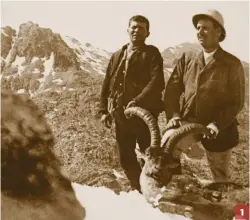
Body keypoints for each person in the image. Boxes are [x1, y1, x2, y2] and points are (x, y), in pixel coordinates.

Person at [163, 9, 245, 184]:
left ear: (219, 32)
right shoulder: (187, 57)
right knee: (168, 153)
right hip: (188, 123)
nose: (200, 32)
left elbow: (236, 102)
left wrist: (216, 124)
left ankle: (230, 210)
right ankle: (173, 196)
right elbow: (171, 91)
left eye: (205, 28)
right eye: (198, 28)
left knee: (220, 178)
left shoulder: (232, 64)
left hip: (219, 129)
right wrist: (174, 116)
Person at [99, 15, 165, 191]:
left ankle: (154, 190)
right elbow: (107, 82)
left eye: (141, 28)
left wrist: (137, 101)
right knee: (125, 157)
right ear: (127, 30)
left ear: (147, 33)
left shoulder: (152, 53)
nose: (136, 31)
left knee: (149, 155)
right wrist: (103, 110)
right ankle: (139, 189)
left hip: (144, 115)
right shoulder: (117, 55)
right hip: (121, 115)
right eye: (134, 27)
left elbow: (157, 82)